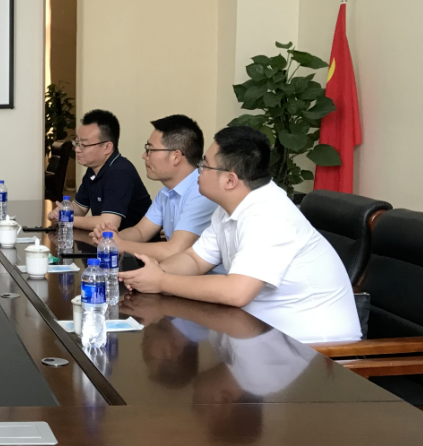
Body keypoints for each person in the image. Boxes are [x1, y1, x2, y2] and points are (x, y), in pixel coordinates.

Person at [118, 125, 361, 343]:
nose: (197, 172)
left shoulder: (269, 215)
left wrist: (161, 281)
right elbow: (195, 259)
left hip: (315, 351)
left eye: (204, 165)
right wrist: (152, 273)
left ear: (230, 180)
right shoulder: (229, 208)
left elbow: (237, 291)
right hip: (260, 333)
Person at [90, 115, 218, 262]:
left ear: (176, 157)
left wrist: (119, 245)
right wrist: (108, 237)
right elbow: (140, 232)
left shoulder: (201, 192)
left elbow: (173, 251)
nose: (144, 156)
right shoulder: (166, 192)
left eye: (150, 149)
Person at [47, 109, 152, 231]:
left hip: (134, 241)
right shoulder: (93, 170)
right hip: (107, 240)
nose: (77, 149)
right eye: (77, 142)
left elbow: (109, 223)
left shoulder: (119, 173)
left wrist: (67, 218)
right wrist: (64, 211)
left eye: (84, 144)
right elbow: (80, 208)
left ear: (107, 147)